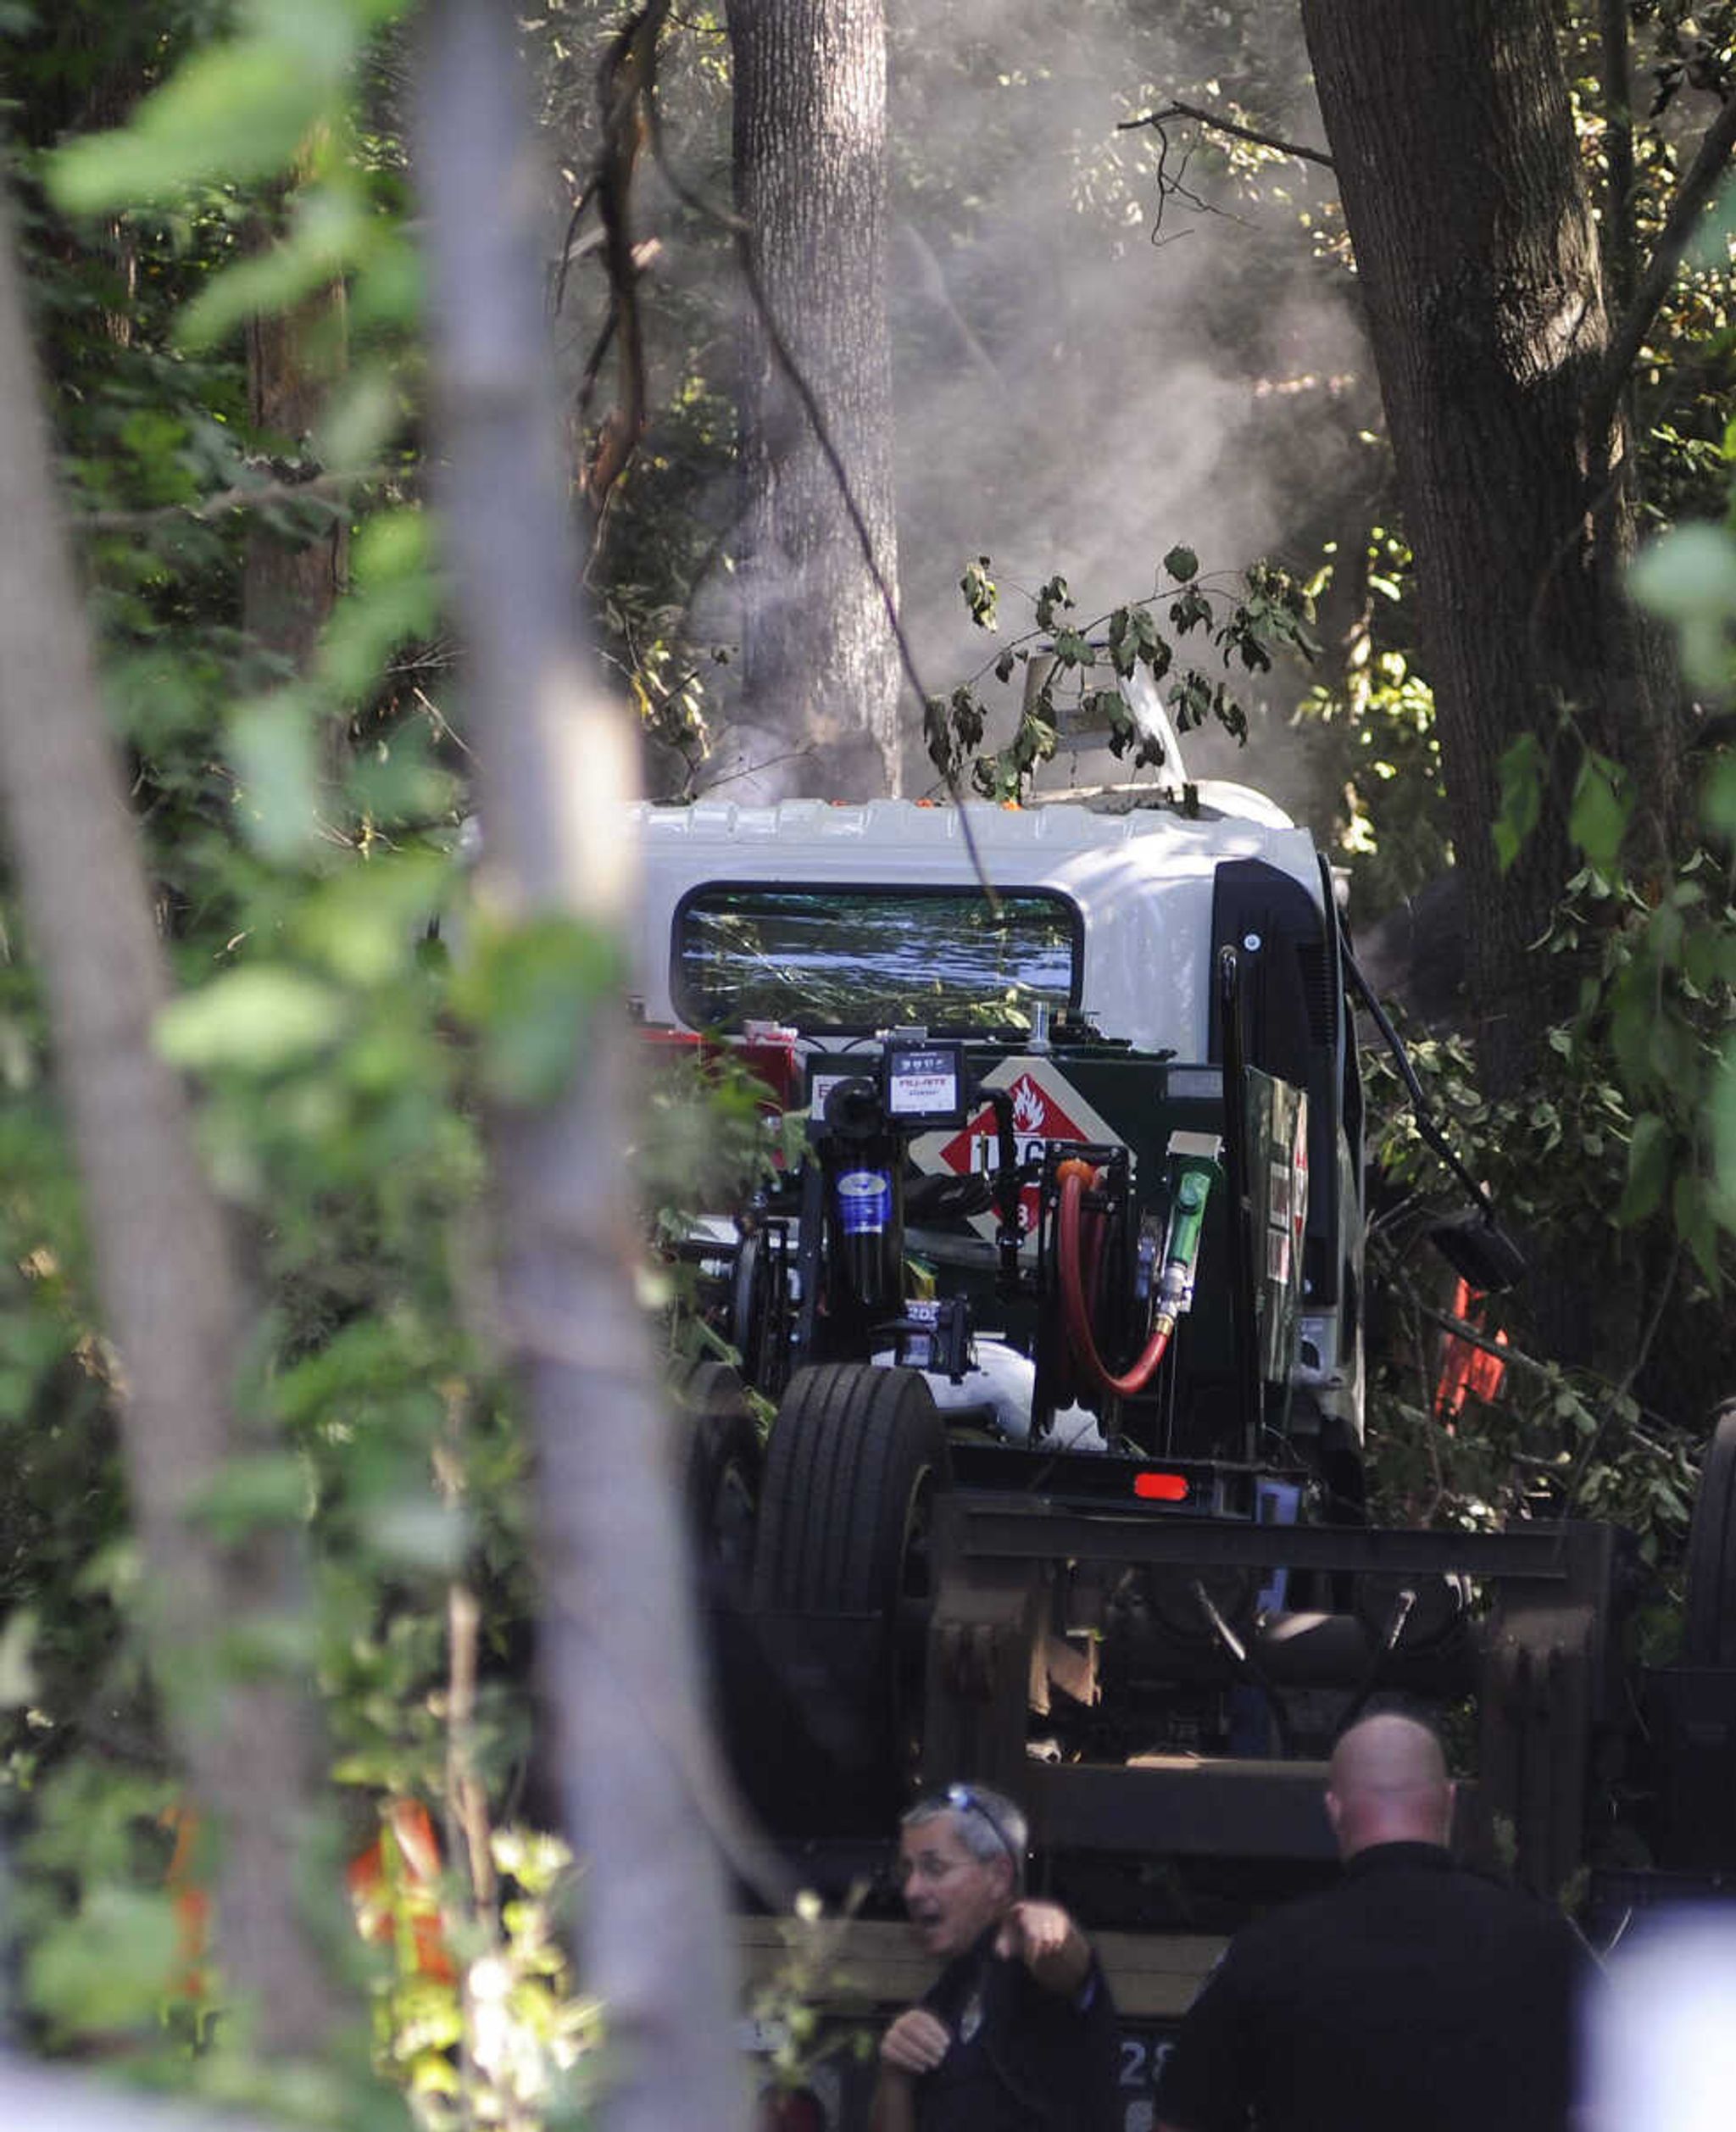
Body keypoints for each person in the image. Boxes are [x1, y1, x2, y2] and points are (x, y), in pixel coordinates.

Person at [1153, 1711, 1594, 2132]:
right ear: (1450, 1801)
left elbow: (1182, 2121)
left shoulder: (1262, 1956)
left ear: (1334, 1810)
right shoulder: (1547, 1946)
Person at [871, 1782, 1120, 2132]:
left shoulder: (1031, 1969)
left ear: (999, 1877)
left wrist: (1053, 1934)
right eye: (907, 1870)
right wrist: (894, 2075)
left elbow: (1070, 1969)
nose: (912, 1889)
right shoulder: (946, 1993)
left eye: (934, 1868)